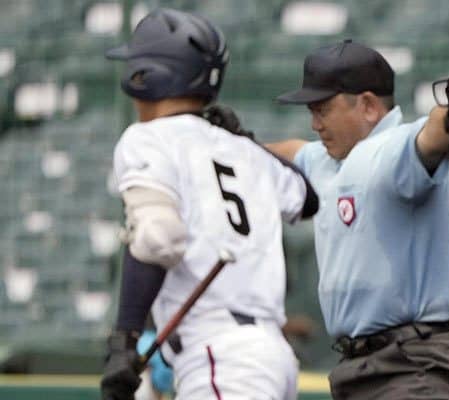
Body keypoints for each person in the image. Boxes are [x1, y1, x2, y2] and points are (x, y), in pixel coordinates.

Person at [266, 40, 449, 399]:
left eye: (322, 109)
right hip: (356, 368)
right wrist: (225, 140)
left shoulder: (394, 148)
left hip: (413, 364)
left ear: (368, 106)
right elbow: (287, 152)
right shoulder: (323, 159)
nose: (315, 123)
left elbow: (431, 136)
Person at [100, 8, 317, 400]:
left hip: (219, 353)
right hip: (270, 356)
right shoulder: (243, 149)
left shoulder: (148, 137)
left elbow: (159, 238)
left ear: (145, 76)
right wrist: (245, 141)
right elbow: (307, 198)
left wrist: (125, 339)